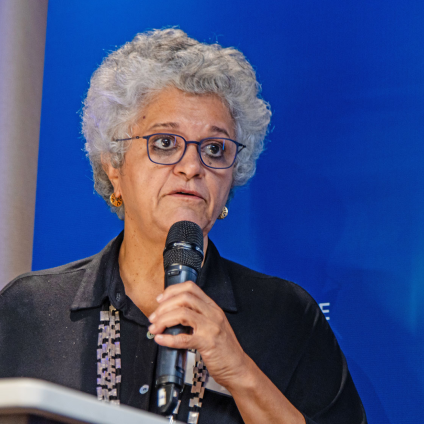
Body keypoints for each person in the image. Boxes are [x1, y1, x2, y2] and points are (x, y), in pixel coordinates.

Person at [0, 29, 366, 424]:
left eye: (214, 149)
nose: (192, 167)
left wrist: (239, 371)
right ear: (114, 165)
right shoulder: (31, 310)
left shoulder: (288, 318)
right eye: (164, 143)